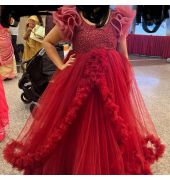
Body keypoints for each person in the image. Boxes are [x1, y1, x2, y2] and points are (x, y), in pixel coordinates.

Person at [4, 5, 165, 175]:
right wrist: (60, 65)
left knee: (109, 124)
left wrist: (126, 80)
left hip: (111, 80)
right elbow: (48, 42)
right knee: (77, 124)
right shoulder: (73, 17)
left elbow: (123, 55)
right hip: (79, 82)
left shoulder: (118, 18)